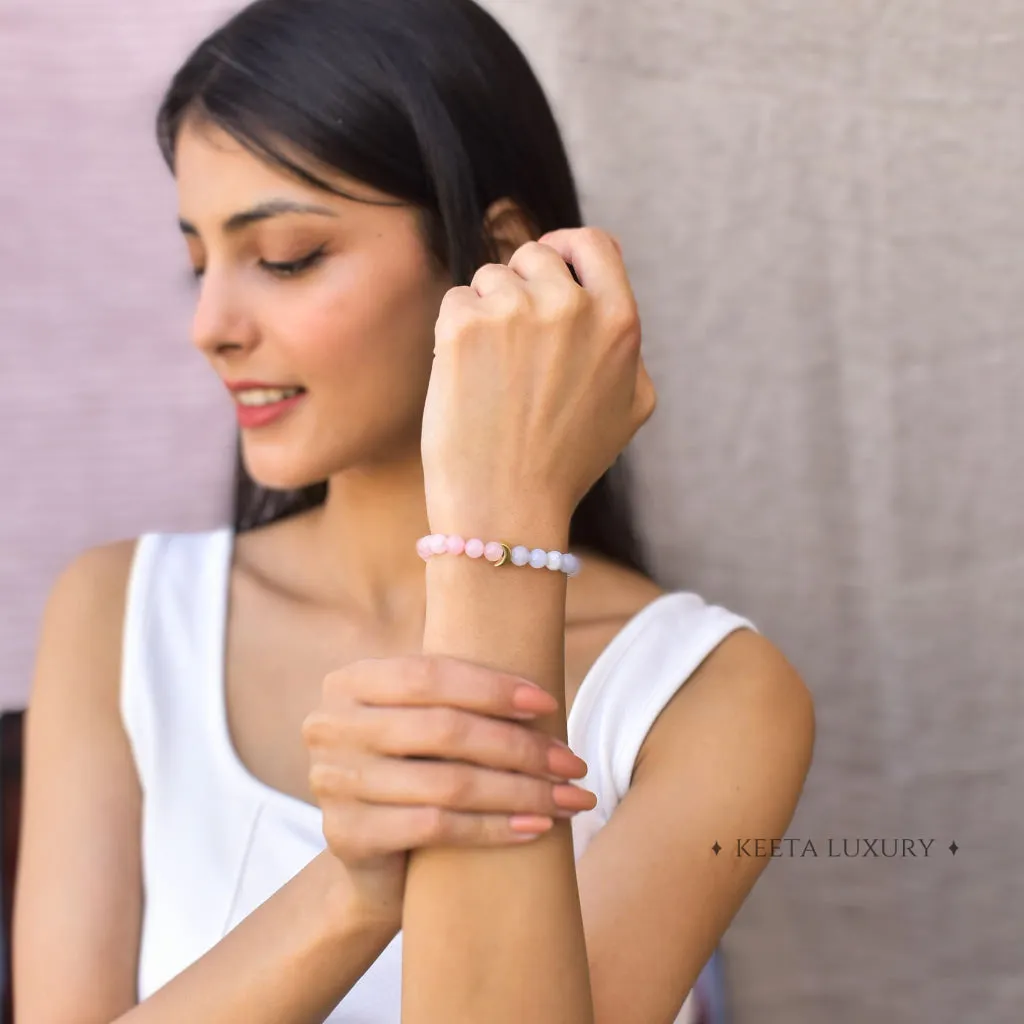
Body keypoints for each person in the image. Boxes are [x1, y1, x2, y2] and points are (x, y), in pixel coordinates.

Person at [13, 1, 816, 1022]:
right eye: (196, 262)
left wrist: (506, 533)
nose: (211, 328)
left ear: (498, 257)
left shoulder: (709, 697)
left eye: (288, 256)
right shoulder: (119, 615)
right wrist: (349, 889)